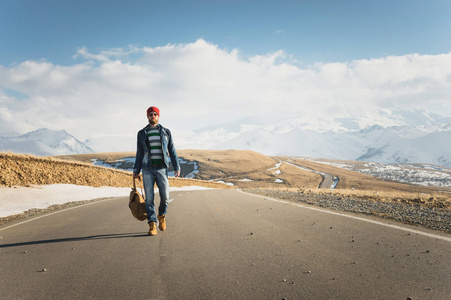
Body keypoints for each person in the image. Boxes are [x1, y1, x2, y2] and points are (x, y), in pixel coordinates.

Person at [133, 106, 181, 236]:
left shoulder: (166, 132)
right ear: (147, 116)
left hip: (162, 168)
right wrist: (136, 170)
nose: (153, 116)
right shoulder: (142, 133)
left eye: (155, 114)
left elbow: (172, 150)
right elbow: (140, 152)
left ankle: (162, 215)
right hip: (147, 169)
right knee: (149, 199)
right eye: (150, 114)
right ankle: (152, 224)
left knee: (165, 197)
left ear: (158, 116)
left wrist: (177, 166)